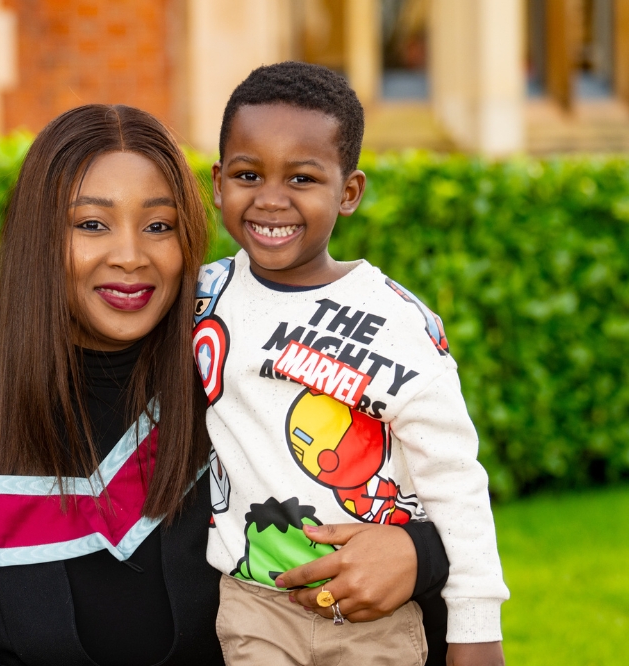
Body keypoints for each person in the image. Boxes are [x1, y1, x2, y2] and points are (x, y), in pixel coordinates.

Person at [0, 103, 450, 665]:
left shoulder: (243, 398)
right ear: (37, 241)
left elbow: (430, 518)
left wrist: (419, 555)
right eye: (92, 223)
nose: (130, 255)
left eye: (159, 225)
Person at [195, 62, 510, 666]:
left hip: (375, 614)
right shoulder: (204, 298)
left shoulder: (396, 322)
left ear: (349, 192)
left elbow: (455, 479)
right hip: (254, 603)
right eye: (247, 173)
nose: (271, 198)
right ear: (217, 182)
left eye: (303, 178)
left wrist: (475, 628)